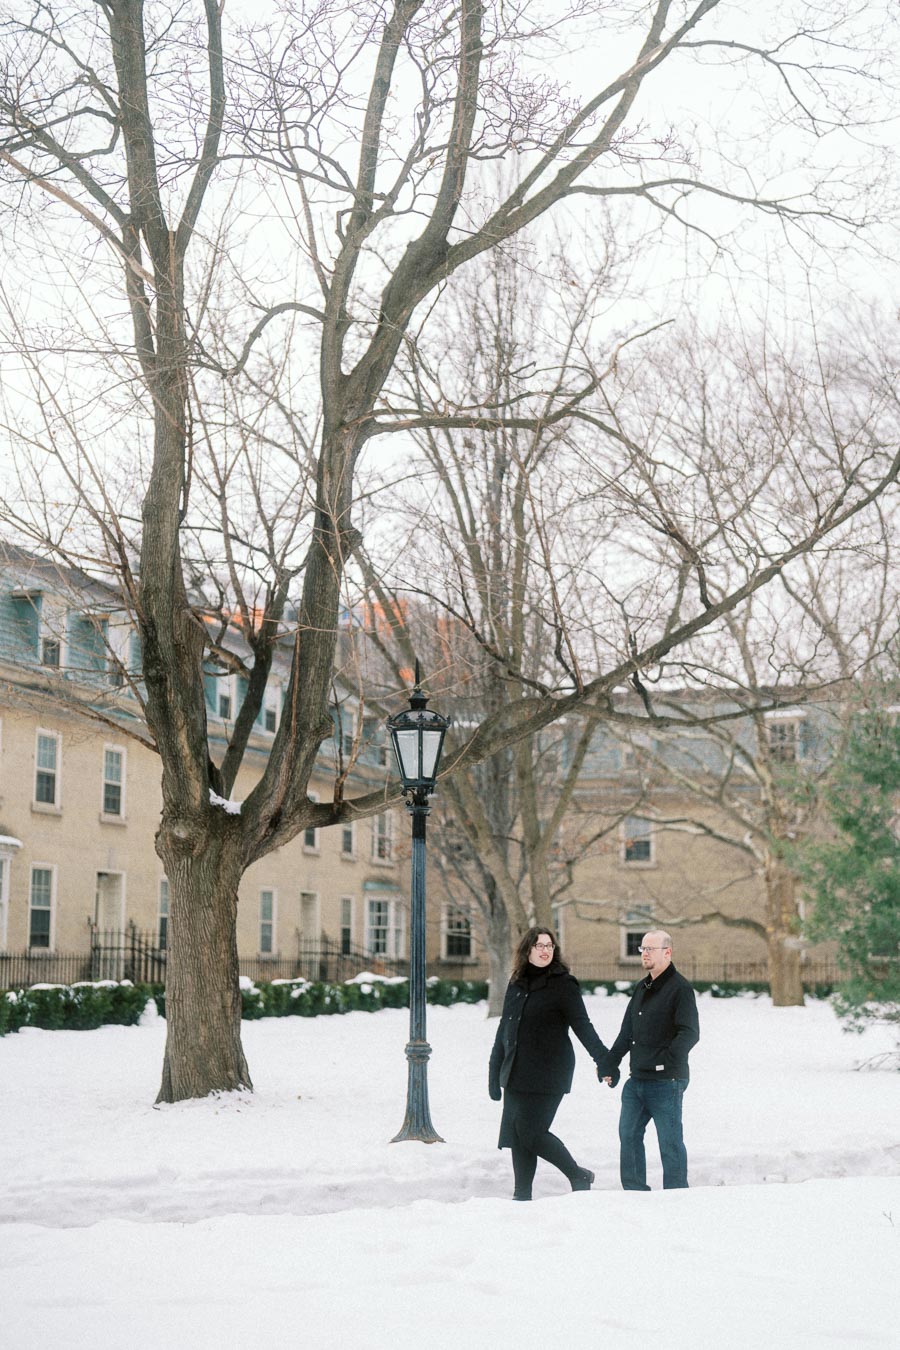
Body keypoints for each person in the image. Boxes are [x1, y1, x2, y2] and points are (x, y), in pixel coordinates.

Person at [489, 925, 613, 1201]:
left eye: (549, 946)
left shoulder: (563, 984)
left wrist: (604, 1060)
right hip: (517, 1071)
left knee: (532, 1133)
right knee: (518, 1136)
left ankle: (577, 1174)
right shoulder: (516, 982)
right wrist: (494, 1069)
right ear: (527, 950)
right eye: (539, 945)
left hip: (549, 1071)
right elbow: (505, 1028)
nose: (545, 950)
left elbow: (583, 1026)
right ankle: (522, 1194)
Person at [599, 930, 700, 1191]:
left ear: (667, 952)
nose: (644, 953)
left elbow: (689, 1033)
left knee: (670, 1142)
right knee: (628, 1135)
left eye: (650, 949)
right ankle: (635, 1193)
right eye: (642, 949)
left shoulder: (680, 988)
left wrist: (665, 1061)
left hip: (667, 1081)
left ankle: (677, 1195)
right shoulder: (642, 988)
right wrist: (611, 1063)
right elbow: (627, 1032)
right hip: (637, 1081)